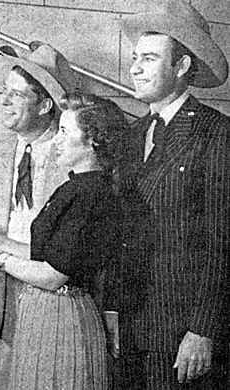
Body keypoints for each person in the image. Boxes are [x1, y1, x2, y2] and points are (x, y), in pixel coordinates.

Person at [0, 91, 128, 389]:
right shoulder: (76, 187)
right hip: (45, 316)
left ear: (93, 142)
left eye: (65, 132)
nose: (56, 140)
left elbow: (52, 275)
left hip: (62, 320)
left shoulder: (90, 195)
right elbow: (49, 253)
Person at [118, 1, 230, 388]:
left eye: (149, 58)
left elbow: (222, 243)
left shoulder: (216, 134)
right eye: (135, 58)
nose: (134, 68)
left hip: (185, 338)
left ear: (182, 67)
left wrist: (204, 330)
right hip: (135, 330)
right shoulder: (133, 134)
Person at [0, 42, 76, 387]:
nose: (4, 101)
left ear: (45, 105)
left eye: (17, 95)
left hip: (55, 298)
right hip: (4, 297)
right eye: (4, 91)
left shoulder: (73, 155)